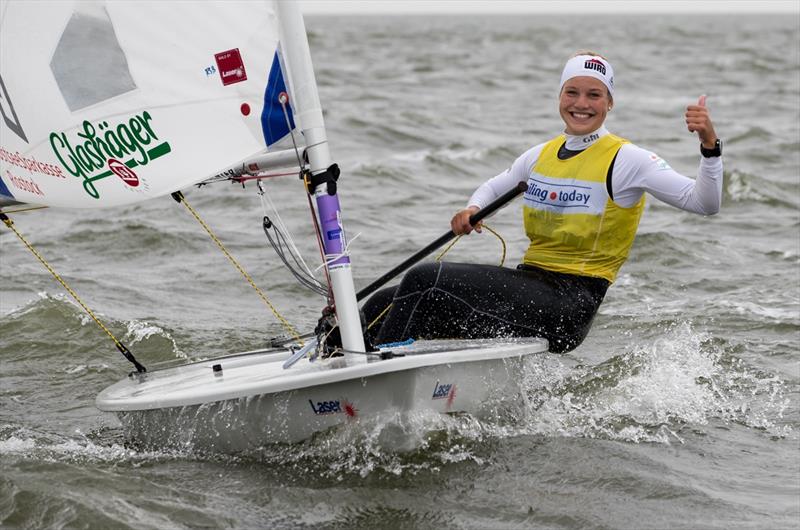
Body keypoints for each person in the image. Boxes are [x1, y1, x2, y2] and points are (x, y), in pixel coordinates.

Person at [361, 51, 722, 353]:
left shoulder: (628, 160)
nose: (581, 104)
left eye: (594, 95)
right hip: (529, 288)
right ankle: (330, 372)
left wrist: (709, 145)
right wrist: (472, 209)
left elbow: (703, 203)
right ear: (560, 96)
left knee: (424, 278)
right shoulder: (540, 155)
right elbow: (493, 186)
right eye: (572, 92)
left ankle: (380, 374)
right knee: (378, 306)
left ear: (610, 103)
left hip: (570, 305)